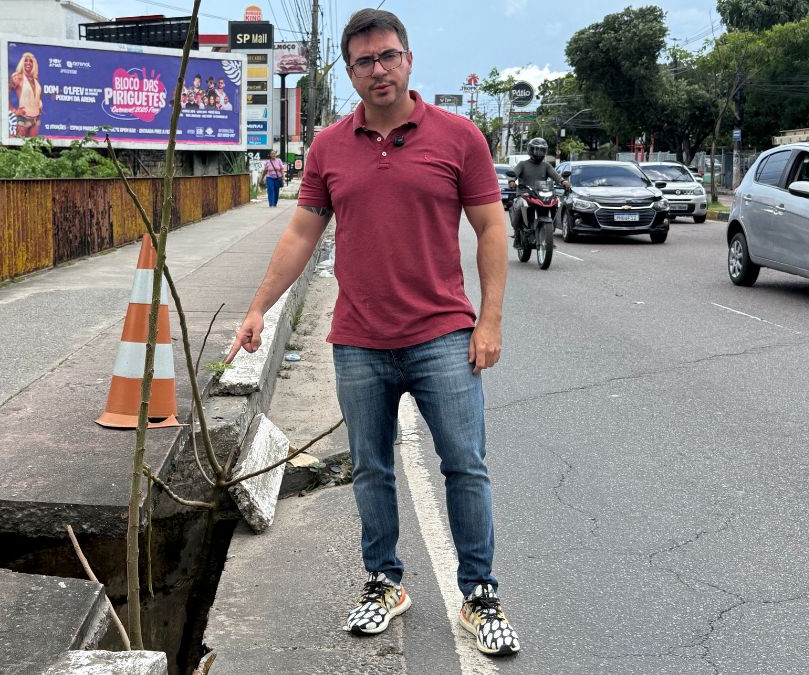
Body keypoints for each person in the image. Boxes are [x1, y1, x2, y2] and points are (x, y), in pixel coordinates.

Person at [226, 8, 521, 657]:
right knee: (371, 468)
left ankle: (480, 593)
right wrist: (258, 308)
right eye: (364, 61)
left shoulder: (459, 136)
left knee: (465, 465)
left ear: (408, 59)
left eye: (387, 55)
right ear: (349, 71)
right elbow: (302, 232)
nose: (378, 69)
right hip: (358, 339)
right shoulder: (329, 145)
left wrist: (490, 318)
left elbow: (492, 227)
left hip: (443, 334)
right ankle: (385, 580)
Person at [507, 138, 569, 248]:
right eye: (536, 150)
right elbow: (514, 174)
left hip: (540, 194)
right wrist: (511, 180)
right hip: (524, 193)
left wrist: (563, 182)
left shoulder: (546, 166)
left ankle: (549, 232)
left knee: (555, 203)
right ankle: (517, 235)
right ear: (530, 150)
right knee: (520, 204)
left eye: (542, 150)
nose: (539, 153)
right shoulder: (522, 164)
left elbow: (556, 176)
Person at [8, 52, 43, 138]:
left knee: (33, 148)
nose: (28, 63)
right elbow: (4, 93)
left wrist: (40, 104)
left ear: (34, 64)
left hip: (36, 120)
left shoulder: (36, 79)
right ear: (22, 62)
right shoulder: (17, 77)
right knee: (19, 148)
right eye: (25, 60)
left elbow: (38, 96)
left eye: (31, 61)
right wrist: (14, 110)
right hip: (23, 119)